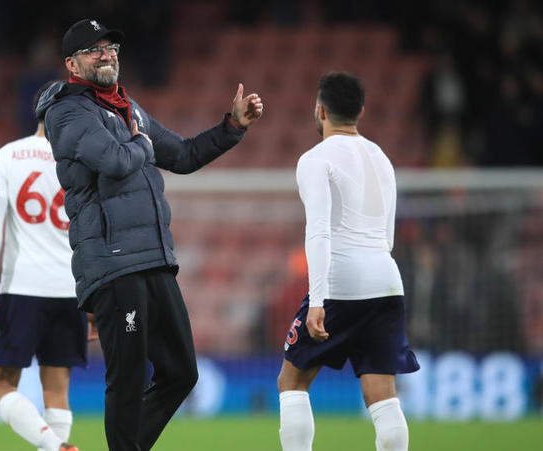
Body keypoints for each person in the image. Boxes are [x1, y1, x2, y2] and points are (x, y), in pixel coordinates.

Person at [36, 19, 263, 451]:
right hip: (111, 262)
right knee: (127, 376)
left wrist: (232, 126)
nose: (107, 55)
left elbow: (183, 154)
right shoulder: (67, 111)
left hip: (153, 257)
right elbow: (117, 160)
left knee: (182, 372)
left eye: (111, 48)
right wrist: (142, 144)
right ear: (72, 63)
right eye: (94, 50)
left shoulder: (126, 107)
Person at [277, 72, 420, 451]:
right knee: (382, 394)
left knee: (291, 383)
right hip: (387, 280)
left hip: (341, 282)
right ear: (360, 111)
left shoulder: (314, 159)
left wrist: (319, 301)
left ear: (319, 110)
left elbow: (319, 230)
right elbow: (387, 236)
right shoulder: (382, 158)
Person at [0, 80, 89, 451]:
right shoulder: (85, 162)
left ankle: (55, 448)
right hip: (71, 290)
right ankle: (58, 446)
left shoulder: (6, 157)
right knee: (57, 389)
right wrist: (95, 299)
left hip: (22, 288)